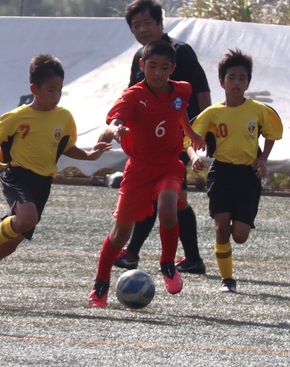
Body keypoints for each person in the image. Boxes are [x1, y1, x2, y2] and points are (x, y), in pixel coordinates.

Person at [0, 54, 112, 307]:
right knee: (26, 219)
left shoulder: (63, 117)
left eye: (59, 90)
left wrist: (89, 155)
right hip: (17, 175)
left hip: (43, 183)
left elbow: (66, 146)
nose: (56, 96)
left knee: (8, 246)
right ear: (34, 89)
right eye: (50, 90)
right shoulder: (17, 117)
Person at [88, 40, 206, 308]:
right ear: (142, 65)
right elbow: (113, 122)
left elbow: (179, 111)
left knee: (168, 207)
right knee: (120, 234)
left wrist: (191, 133)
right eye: (152, 66)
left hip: (168, 165)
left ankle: (167, 264)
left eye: (164, 67)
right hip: (139, 170)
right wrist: (115, 130)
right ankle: (101, 285)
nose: (158, 72)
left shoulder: (182, 89)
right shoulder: (132, 95)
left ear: (172, 69)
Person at [114, 0, 211, 274]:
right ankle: (191, 258)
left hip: (177, 138)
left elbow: (203, 93)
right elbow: (132, 97)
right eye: (136, 25)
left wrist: (203, 132)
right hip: (149, 141)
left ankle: (134, 253)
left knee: (168, 198)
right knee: (169, 199)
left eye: (147, 23)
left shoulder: (182, 52)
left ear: (160, 23)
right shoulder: (139, 58)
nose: (142, 29)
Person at [191, 49, 283, 292]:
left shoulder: (258, 110)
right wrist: (194, 157)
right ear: (221, 82)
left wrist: (263, 159)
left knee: (240, 235)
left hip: (247, 176)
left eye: (242, 78)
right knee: (221, 226)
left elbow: (272, 134)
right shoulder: (212, 113)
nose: (236, 83)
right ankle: (227, 280)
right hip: (220, 173)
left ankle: (232, 236)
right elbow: (190, 138)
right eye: (231, 78)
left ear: (248, 83)